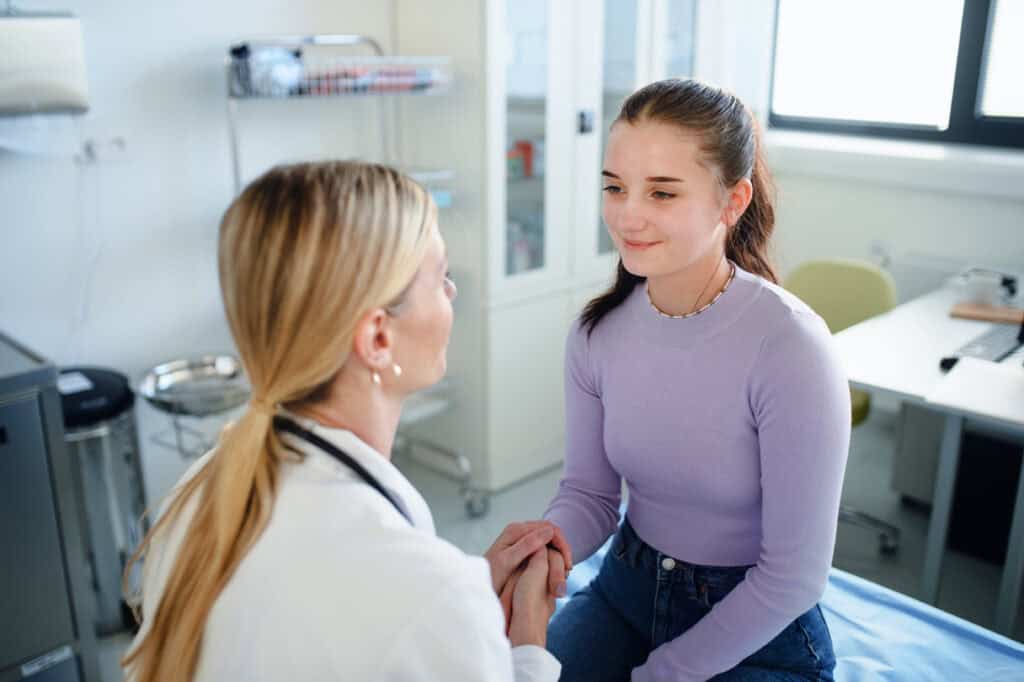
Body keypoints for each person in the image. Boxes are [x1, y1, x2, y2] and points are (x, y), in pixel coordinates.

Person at [122, 160, 568, 682]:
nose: (451, 294)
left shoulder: (193, 498)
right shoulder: (425, 595)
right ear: (378, 338)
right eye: (440, 277)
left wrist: (463, 599)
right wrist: (524, 643)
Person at [538, 79, 852, 680]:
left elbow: (794, 575)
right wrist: (543, 547)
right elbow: (590, 496)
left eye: (661, 192)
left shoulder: (791, 347)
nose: (628, 214)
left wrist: (667, 671)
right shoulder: (595, 334)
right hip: (624, 591)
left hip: (758, 627)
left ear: (733, 202)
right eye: (615, 187)